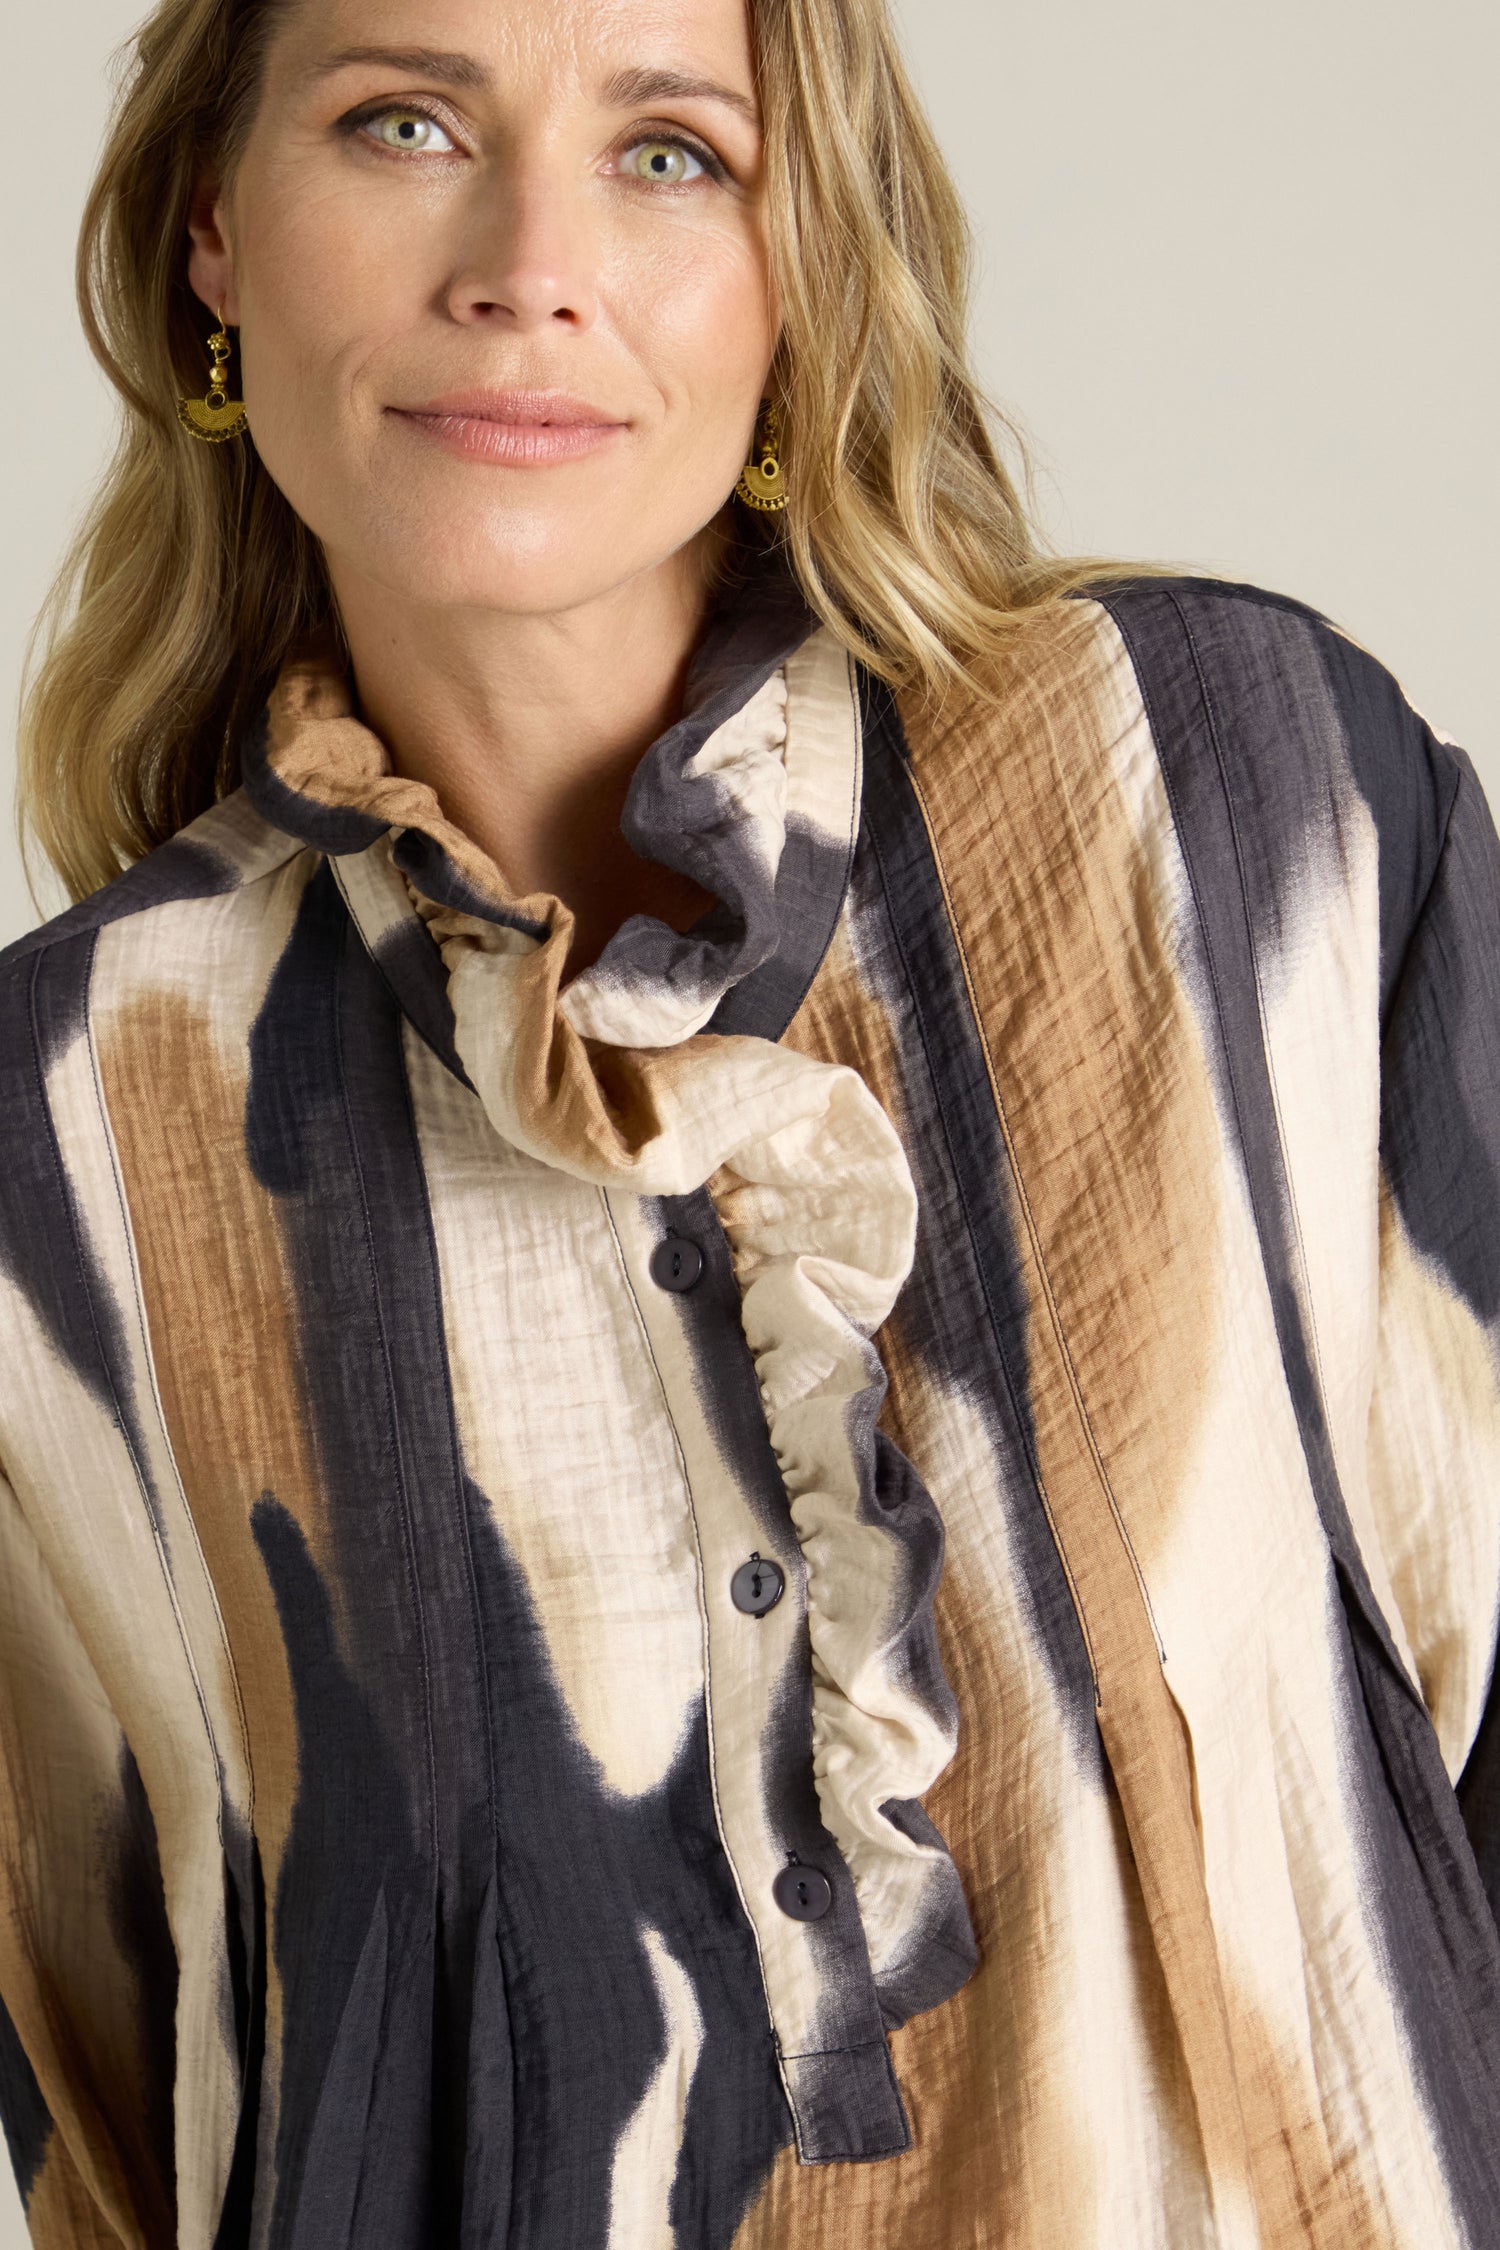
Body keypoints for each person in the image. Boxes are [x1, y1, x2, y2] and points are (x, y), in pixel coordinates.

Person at [3, 0, 1499, 2241]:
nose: (531, 258)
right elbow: (129, 2135)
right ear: (214, 234)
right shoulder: (62, 1153)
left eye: (673, 151)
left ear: (803, 273)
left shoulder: (1234, 805)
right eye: (405, 121)